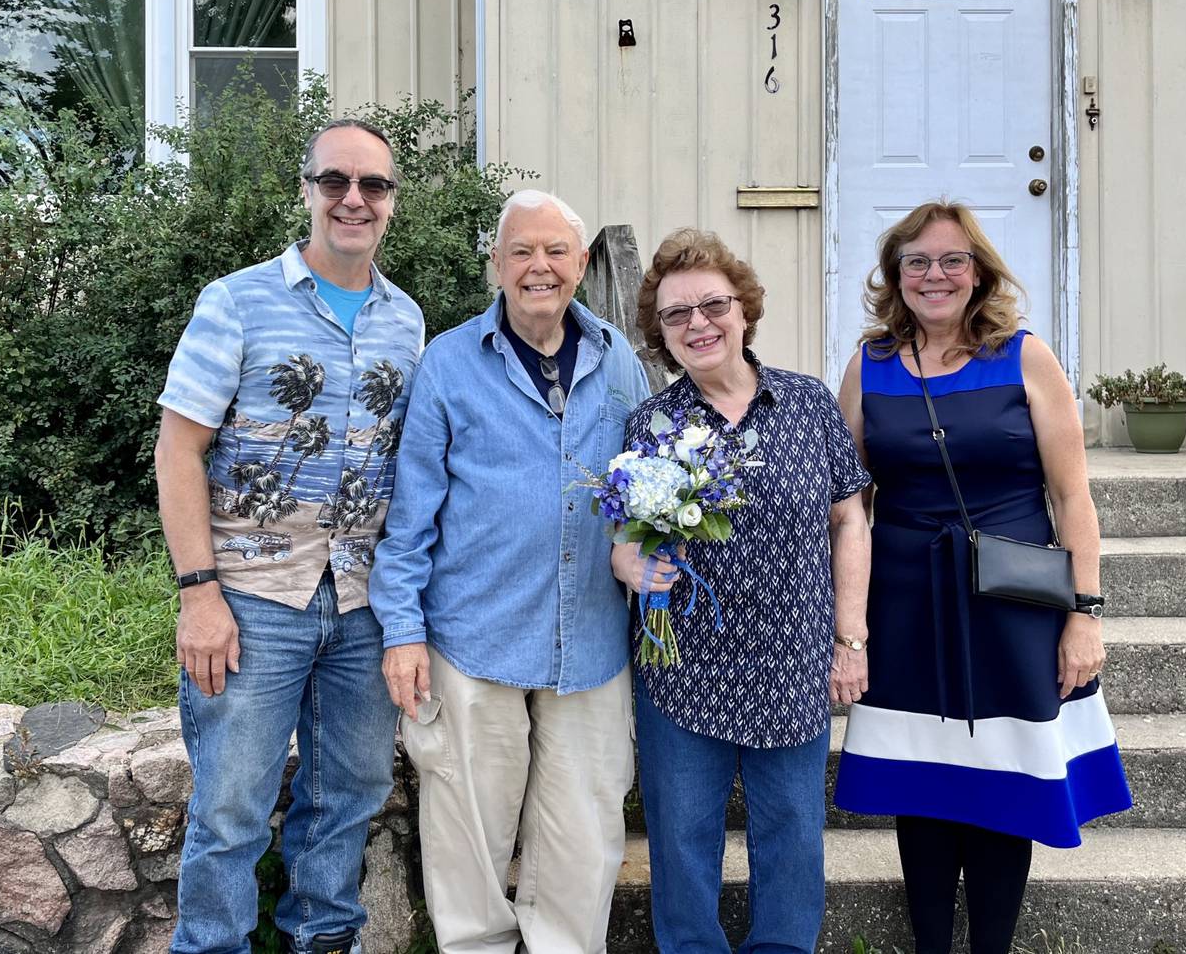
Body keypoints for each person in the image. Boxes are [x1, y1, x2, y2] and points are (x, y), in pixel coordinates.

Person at [832, 200, 1133, 954]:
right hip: (907, 604)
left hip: (1011, 603)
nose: (935, 275)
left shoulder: (1025, 356)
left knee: (1007, 784)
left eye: (951, 260)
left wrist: (1085, 613)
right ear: (895, 276)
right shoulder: (868, 365)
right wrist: (849, 624)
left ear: (979, 272)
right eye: (917, 262)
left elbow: (1072, 496)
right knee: (924, 789)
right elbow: (844, 502)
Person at [155, 118, 424, 954]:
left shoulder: (406, 321)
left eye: (373, 185)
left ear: (391, 204)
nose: (354, 198)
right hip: (250, 596)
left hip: (362, 600)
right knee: (232, 806)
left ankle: (321, 940)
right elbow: (179, 447)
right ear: (306, 190)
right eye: (336, 181)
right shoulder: (236, 300)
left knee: (349, 793)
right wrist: (199, 594)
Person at [371, 189, 650, 954]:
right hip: (474, 639)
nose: (539, 267)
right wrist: (402, 630)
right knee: (467, 842)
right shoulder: (450, 364)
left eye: (556, 251)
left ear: (582, 264)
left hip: (589, 641)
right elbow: (410, 514)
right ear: (496, 264)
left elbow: (649, 480)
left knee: (583, 841)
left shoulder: (618, 358)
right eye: (521, 251)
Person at [612, 227, 872, 953]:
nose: (698, 323)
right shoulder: (652, 423)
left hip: (793, 659)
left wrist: (850, 638)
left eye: (713, 304)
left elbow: (850, 516)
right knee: (681, 838)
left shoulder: (807, 403)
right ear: (661, 333)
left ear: (744, 309)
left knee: (791, 836)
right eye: (676, 315)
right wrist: (627, 564)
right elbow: (623, 535)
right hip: (683, 667)